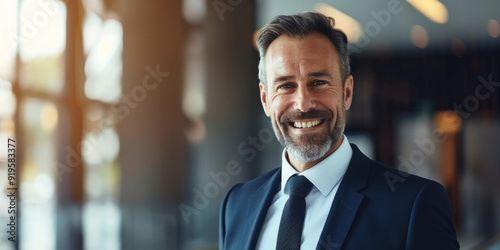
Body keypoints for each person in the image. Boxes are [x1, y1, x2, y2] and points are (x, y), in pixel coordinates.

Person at [219, 11, 459, 250]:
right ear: (265, 100)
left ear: (347, 92)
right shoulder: (236, 204)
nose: (303, 103)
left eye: (319, 82)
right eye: (286, 85)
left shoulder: (414, 204)